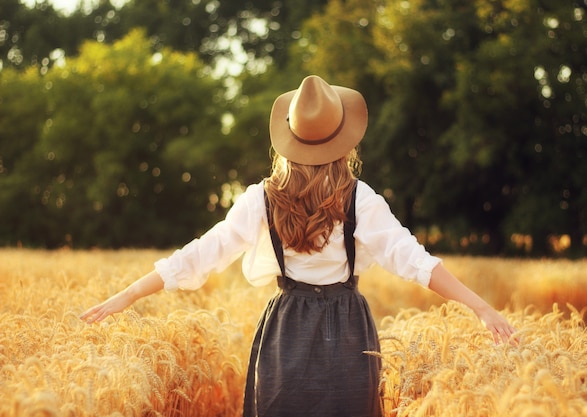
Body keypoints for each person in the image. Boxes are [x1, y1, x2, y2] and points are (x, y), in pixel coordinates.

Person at [80, 75, 517, 417]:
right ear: (343, 143)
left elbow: (199, 255)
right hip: (349, 331)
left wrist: (126, 295)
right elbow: (416, 263)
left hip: (284, 328)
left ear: (289, 141)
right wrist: (481, 307)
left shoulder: (260, 198)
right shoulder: (361, 198)